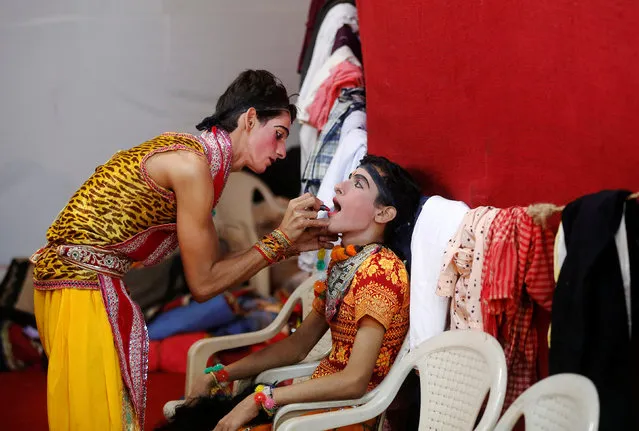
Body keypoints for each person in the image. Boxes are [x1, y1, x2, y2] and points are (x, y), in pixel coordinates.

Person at [30, 70, 336, 431]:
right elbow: (204, 284)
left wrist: (283, 247)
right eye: (279, 135)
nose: (283, 152)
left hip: (69, 282)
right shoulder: (193, 166)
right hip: (82, 285)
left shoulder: (192, 154)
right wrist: (281, 241)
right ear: (250, 119)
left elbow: (211, 271)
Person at [162, 155, 422, 431]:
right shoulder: (347, 262)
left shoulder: (380, 271)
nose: (339, 187)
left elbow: (355, 380)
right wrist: (219, 374)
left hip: (346, 418)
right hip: (310, 409)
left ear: (383, 214)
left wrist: (262, 399)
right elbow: (296, 346)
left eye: (358, 184)